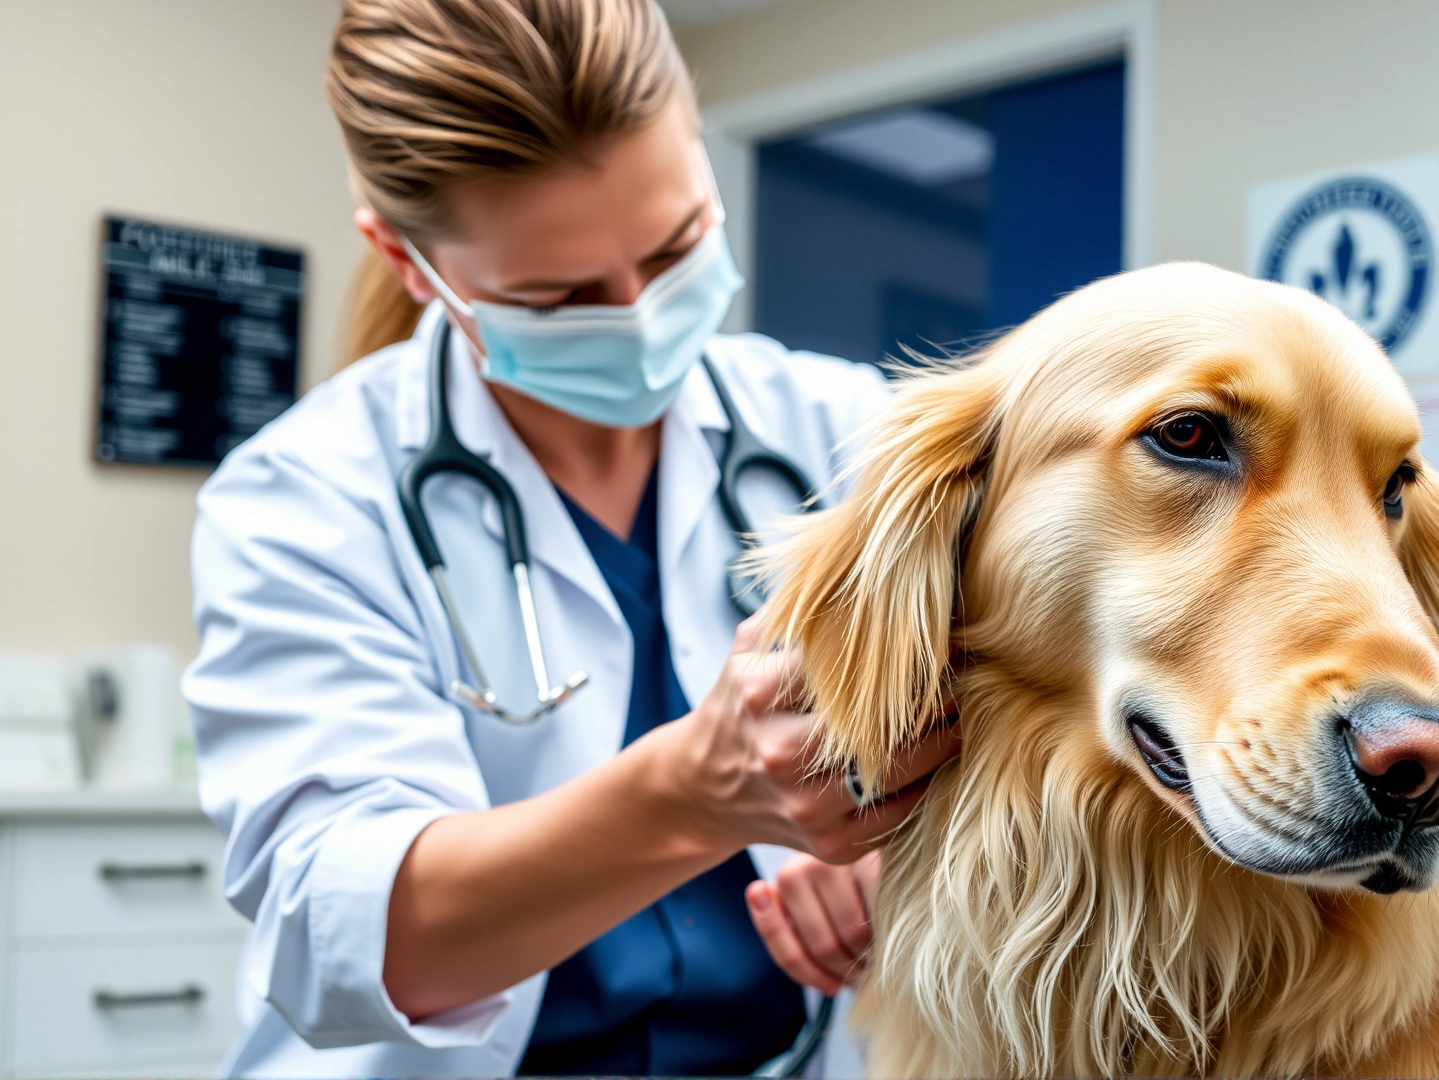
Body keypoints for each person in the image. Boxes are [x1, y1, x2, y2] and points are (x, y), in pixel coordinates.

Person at [183, 1, 957, 1075]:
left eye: (677, 242)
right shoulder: (303, 500)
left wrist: (896, 853)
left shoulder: (841, 432)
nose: (640, 316)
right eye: (559, 297)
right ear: (410, 263)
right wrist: (694, 793)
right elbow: (347, 932)